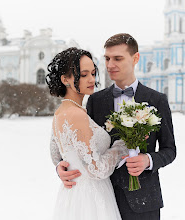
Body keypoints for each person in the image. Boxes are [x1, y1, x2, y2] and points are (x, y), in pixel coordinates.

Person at [57, 34, 177, 220]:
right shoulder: (95, 101)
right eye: (107, 58)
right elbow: (79, 141)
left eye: (118, 58)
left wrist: (148, 160)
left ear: (135, 58)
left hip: (144, 200)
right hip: (102, 198)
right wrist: (62, 166)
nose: (110, 65)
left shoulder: (157, 100)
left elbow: (170, 150)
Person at [47, 47, 128, 220]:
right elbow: (96, 170)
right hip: (91, 198)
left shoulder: (61, 112)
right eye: (84, 75)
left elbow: (57, 157)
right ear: (65, 79)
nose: (92, 79)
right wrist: (122, 147)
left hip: (73, 194)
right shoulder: (76, 115)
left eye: (93, 73)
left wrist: (61, 168)